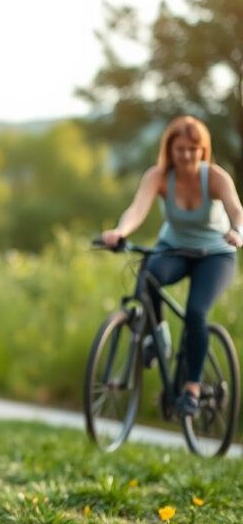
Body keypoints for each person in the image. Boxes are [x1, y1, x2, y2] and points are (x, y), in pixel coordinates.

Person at [101, 115, 243, 417]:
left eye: (194, 148)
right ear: (170, 149)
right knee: (147, 275)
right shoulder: (159, 176)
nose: (187, 155)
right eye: (181, 149)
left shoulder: (215, 177)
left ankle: (192, 388)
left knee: (196, 313)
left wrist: (237, 231)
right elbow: (137, 208)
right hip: (174, 249)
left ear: (203, 149)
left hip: (216, 254)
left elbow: (236, 208)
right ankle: (160, 338)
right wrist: (120, 232)